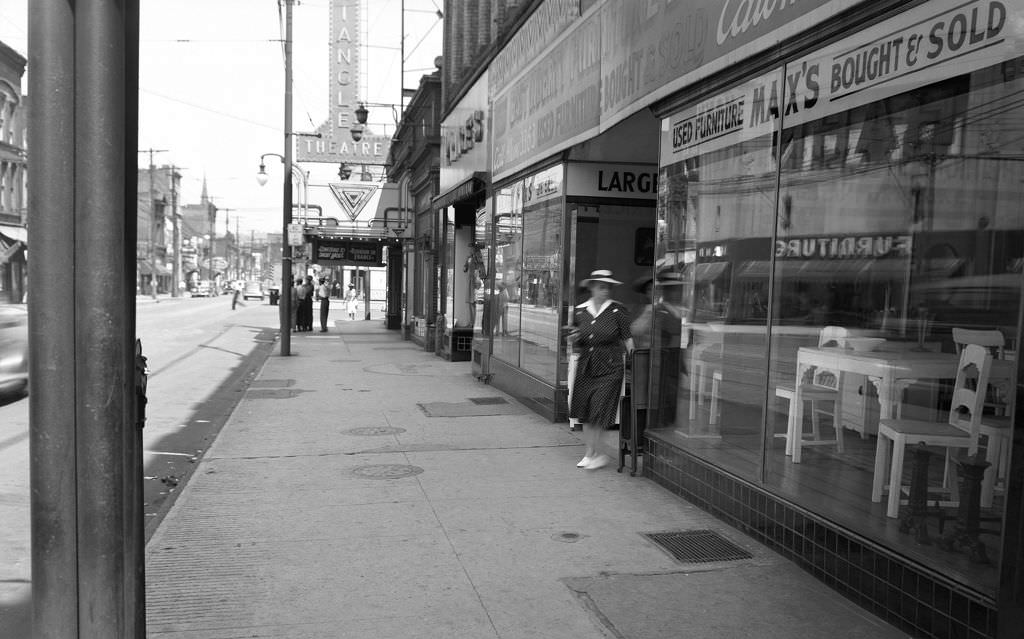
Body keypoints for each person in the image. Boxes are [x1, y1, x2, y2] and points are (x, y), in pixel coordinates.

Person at [566, 269, 635, 470]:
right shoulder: (580, 311)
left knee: (599, 409)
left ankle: (597, 453)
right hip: (587, 364)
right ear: (592, 288)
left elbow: (628, 339)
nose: (606, 291)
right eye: (602, 287)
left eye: (608, 287)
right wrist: (572, 339)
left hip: (610, 366)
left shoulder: (617, 311)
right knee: (585, 410)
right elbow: (575, 338)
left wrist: (633, 362)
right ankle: (591, 453)